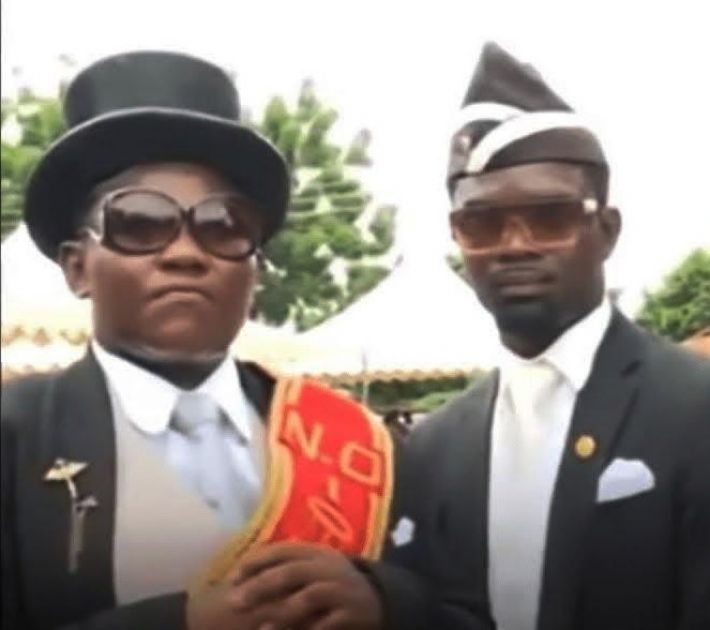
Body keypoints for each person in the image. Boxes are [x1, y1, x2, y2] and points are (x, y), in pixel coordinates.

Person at [1, 51, 397, 630]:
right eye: (139, 222)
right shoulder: (15, 436)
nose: (186, 254)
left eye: (222, 226)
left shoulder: (355, 444)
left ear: (255, 269)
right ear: (77, 266)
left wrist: (386, 601)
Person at [384, 42, 710, 630]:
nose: (515, 245)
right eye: (482, 223)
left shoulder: (694, 404)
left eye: (550, 217)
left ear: (606, 230)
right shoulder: (435, 446)